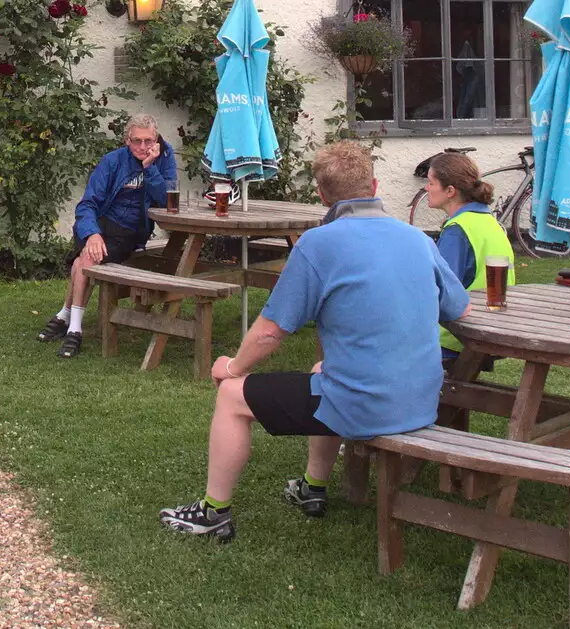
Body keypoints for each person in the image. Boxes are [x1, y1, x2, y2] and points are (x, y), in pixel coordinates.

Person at [159, 142, 470, 542]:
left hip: (367, 404)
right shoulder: (419, 239)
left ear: (321, 195)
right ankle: (313, 487)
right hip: (421, 400)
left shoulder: (318, 244)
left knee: (233, 397)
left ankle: (213, 512)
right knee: (324, 372)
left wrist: (232, 367)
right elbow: (460, 310)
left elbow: (272, 330)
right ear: (374, 185)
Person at [37, 114, 178, 359]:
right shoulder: (112, 162)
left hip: (129, 232)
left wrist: (150, 169)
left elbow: (165, 200)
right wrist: (92, 233)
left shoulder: (164, 159)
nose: (143, 147)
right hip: (99, 225)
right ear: (127, 140)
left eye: (148, 141)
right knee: (87, 258)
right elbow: (87, 204)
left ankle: (68, 320)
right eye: (137, 141)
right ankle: (72, 327)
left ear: (156, 140)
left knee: (84, 262)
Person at [423, 151, 514, 363]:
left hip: (454, 338)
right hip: (493, 329)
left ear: (450, 191)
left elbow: (439, 289)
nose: (426, 188)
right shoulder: (490, 222)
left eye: (430, 183)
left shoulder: (457, 230)